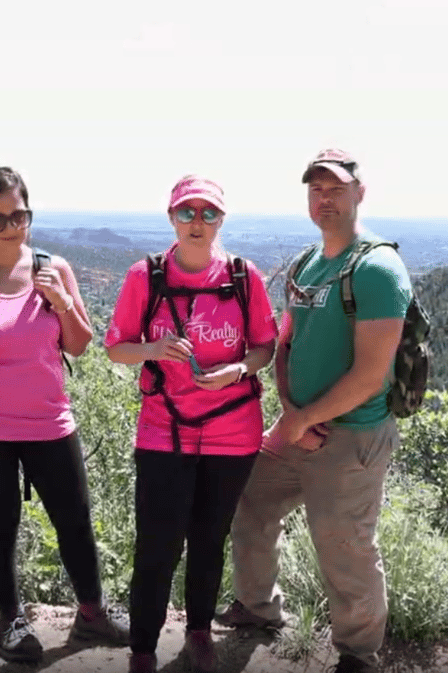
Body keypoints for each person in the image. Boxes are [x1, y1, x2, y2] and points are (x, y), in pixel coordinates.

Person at [216, 150, 412, 673]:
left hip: (352, 437)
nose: (324, 199)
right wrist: (290, 412)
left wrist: (301, 420)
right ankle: (258, 608)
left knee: (345, 547)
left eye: (336, 190)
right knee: (251, 504)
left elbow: (369, 376)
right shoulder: (307, 262)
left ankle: (359, 654)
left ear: (359, 194)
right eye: (316, 190)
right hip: (296, 426)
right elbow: (287, 343)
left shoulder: (377, 269)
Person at [0, 166, 129, 664]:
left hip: (49, 422)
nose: (11, 228)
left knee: (75, 521)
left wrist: (61, 301)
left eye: (19, 215)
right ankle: (10, 621)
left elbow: (78, 345)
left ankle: (92, 612)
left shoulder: (53, 270)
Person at [104, 175, 279, 673]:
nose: (197, 222)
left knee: (209, 538)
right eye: (187, 212)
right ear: (171, 218)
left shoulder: (244, 277)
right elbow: (116, 348)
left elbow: (264, 348)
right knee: (157, 545)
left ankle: (199, 633)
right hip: (164, 429)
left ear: (221, 220)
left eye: (208, 213)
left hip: (232, 432)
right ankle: (143, 649)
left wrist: (238, 370)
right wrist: (154, 349)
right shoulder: (145, 277)